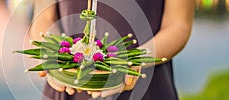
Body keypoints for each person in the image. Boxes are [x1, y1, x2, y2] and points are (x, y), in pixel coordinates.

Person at [29, 0, 195, 99]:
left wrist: (134, 62)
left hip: (147, 88)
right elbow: (44, 17)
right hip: (67, 88)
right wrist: (52, 54)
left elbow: (178, 25)